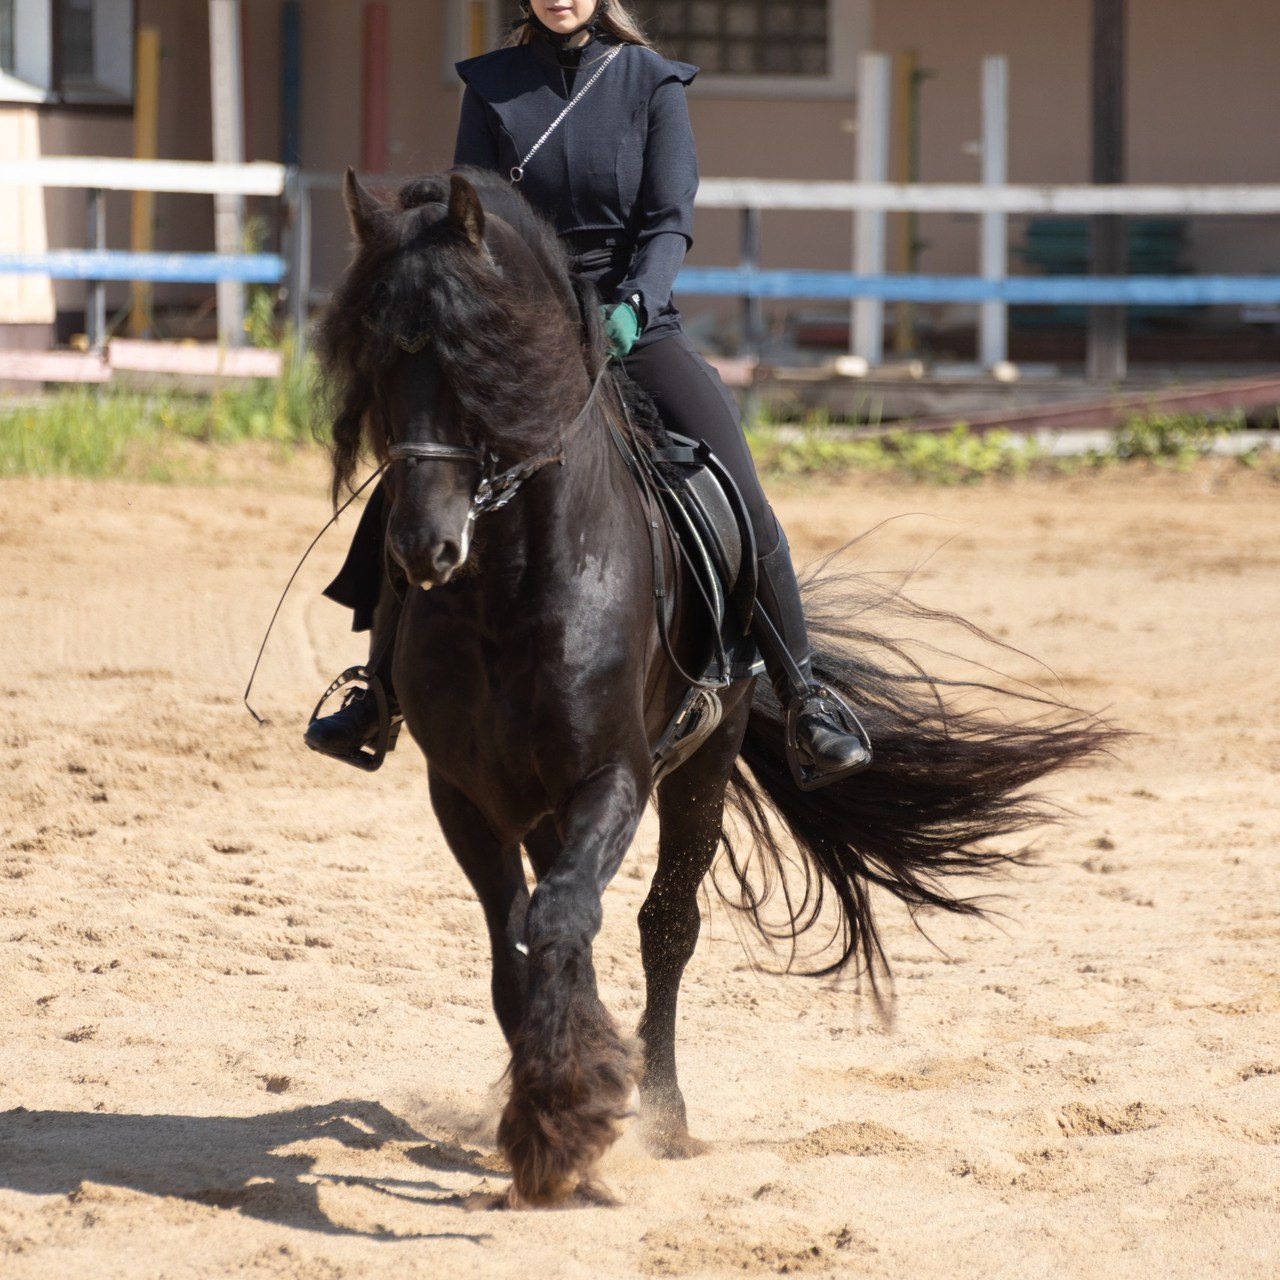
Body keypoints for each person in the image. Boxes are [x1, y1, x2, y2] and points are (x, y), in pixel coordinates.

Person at [305, 0, 871, 788]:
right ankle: (377, 689)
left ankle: (804, 693)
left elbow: (670, 221)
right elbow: (467, 216)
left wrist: (636, 303)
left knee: (738, 488)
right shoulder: (491, 86)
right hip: (524, 333)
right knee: (420, 466)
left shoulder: (652, 82)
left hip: (636, 322)